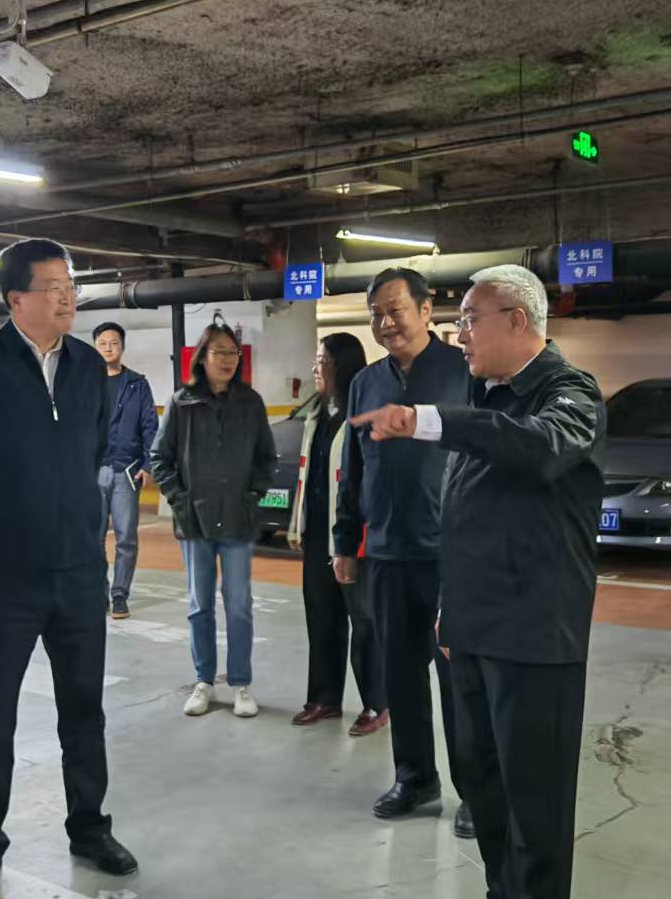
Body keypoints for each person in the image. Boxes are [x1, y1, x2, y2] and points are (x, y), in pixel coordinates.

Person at [355, 264, 604, 899]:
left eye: (469, 319)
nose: (459, 334)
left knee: (534, 801)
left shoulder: (568, 394)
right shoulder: (489, 395)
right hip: (473, 626)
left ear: (517, 321)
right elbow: (467, 515)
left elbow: (537, 448)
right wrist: (450, 609)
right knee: (484, 782)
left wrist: (430, 420)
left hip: (535, 635)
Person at [0, 239, 138, 899]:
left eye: (70, 284)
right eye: (53, 286)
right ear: (16, 297)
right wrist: (3, 519)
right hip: (3, 577)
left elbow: (95, 446)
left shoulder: (88, 367)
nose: (66, 296)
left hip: (78, 568)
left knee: (84, 709)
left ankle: (90, 827)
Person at [335, 268, 476, 837]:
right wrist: (345, 541)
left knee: (458, 678)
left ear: (425, 309)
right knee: (401, 674)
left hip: (450, 554)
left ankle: (474, 789)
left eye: (395, 310)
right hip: (388, 552)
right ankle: (415, 777)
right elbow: (352, 471)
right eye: (376, 313)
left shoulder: (464, 371)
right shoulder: (365, 383)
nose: (386, 322)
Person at [150, 322, 276, 719]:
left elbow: (266, 457)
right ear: (202, 357)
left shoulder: (250, 403)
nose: (227, 359)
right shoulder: (181, 403)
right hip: (196, 522)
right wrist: (180, 500)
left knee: (238, 605)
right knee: (199, 605)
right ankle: (203, 681)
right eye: (219, 351)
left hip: (238, 519)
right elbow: (159, 458)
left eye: (232, 352)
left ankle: (240, 683)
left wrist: (252, 496)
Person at [287, 333, 387, 736]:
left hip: (352, 537)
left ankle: (377, 702)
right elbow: (307, 474)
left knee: (364, 622)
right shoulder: (316, 414)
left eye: (322, 361)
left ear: (342, 366)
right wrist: (297, 524)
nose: (316, 368)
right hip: (317, 534)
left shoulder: (363, 415)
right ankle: (325, 697)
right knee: (322, 617)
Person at [93, 321, 160, 620]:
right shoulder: (85, 384)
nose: (109, 348)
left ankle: (119, 595)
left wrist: (147, 465)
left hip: (126, 472)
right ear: (95, 347)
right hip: (92, 471)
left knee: (126, 539)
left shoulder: (137, 384)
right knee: (92, 539)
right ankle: (98, 594)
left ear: (122, 347)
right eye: (103, 343)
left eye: (114, 343)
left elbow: (150, 427)